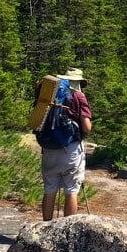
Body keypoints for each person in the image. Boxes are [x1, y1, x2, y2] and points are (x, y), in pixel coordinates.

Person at [38, 67, 93, 221]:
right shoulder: (79, 97)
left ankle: (45, 229)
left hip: (49, 148)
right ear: (79, 82)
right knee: (71, 189)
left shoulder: (50, 95)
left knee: (49, 189)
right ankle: (66, 229)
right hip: (71, 149)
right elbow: (87, 127)